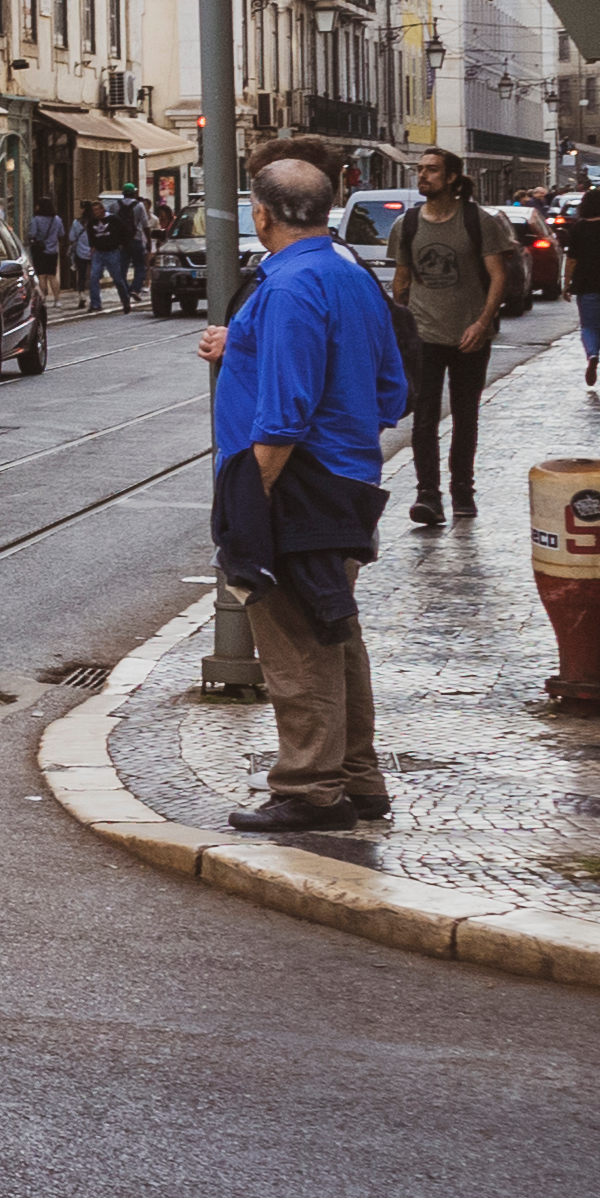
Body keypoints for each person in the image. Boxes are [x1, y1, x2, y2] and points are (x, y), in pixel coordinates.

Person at [199, 153, 411, 830]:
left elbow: (286, 411)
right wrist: (243, 344)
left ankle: (310, 789)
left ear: (260, 216)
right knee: (334, 629)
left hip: (292, 482)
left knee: (295, 641)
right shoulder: (350, 274)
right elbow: (389, 392)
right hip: (345, 476)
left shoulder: (289, 287)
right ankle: (358, 778)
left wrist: (250, 503)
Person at [387, 148, 514, 531]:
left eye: (431, 170)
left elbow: (498, 278)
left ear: (453, 178)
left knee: (465, 414)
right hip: (425, 335)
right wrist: (401, 318)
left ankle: (463, 491)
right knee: (423, 419)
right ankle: (428, 495)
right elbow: (403, 280)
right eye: (420, 170)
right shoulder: (407, 225)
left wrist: (482, 322)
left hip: (469, 334)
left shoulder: (479, 222)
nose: (422, 176)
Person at [562, 184, 600, 392]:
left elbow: (572, 260)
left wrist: (567, 283)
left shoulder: (578, 228)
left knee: (589, 326)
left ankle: (592, 354)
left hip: (587, 285)